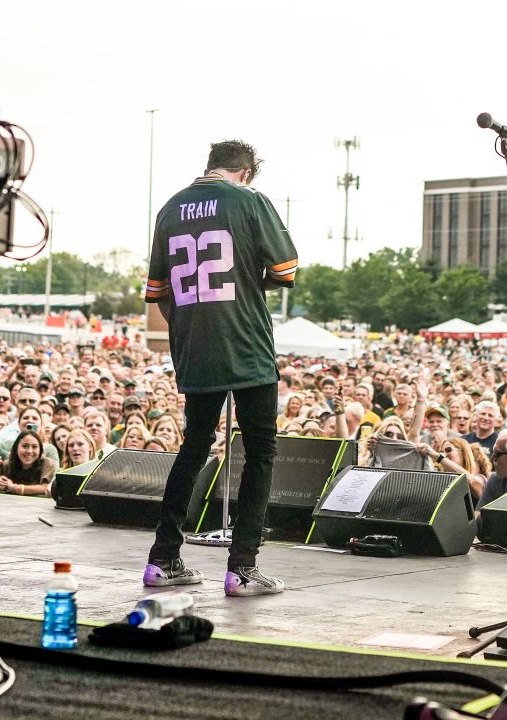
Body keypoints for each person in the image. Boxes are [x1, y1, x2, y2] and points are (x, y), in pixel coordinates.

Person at [143, 139, 298, 597]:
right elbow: (286, 268)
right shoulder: (250, 200)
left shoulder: (169, 209)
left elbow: (157, 290)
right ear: (246, 172)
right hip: (246, 342)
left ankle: (164, 559)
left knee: (194, 446)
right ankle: (243, 569)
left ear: (211, 167)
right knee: (260, 452)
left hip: (194, 343)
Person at [0, 430, 56, 497]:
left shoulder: (47, 463)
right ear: (16, 449)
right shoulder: (7, 465)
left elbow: (45, 487)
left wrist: (15, 488)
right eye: (25, 446)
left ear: (40, 450)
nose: (29, 451)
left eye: (34, 447)